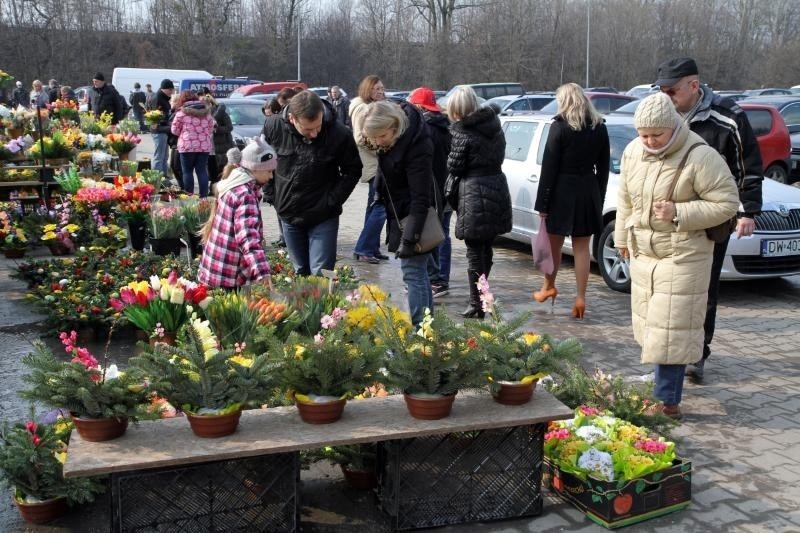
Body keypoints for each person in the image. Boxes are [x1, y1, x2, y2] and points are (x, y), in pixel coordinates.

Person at [614, 93, 739, 419]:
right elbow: (625, 198)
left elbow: (726, 203)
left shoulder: (701, 156)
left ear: (673, 126)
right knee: (651, 328)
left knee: (671, 329)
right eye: (644, 135)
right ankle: (660, 389)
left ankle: (666, 403)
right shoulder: (632, 152)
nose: (649, 142)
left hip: (684, 256)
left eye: (656, 135)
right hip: (645, 255)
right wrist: (621, 237)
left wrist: (679, 212)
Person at [655, 57, 763, 382]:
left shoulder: (728, 118)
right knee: (667, 286)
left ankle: (697, 353)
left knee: (702, 287)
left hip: (711, 218)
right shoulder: (663, 116)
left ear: (693, 85)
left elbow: (749, 166)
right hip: (669, 217)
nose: (666, 97)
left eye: (671, 91)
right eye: (661, 91)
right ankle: (667, 351)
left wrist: (748, 210)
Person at [262, 90, 362, 276]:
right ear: (292, 118)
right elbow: (263, 161)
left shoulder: (339, 133)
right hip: (289, 213)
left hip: (323, 215)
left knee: (321, 274)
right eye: (308, 129)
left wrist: (333, 200)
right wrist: (272, 195)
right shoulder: (274, 126)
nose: (315, 133)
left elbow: (353, 170)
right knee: (300, 271)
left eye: (318, 126)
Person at [533, 82, 610, 319]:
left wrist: (542, 206)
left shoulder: (559, 127)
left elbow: (549, 169)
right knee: (582, 249)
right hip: (588, 191)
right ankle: (580, 298)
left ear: (564, 101)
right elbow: (604, 168)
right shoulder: (599, 127)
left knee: (553, 246)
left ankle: (548, 287)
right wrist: (598, 197)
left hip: (560, 193)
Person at [361, 100, 435, 326]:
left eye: (381, 136)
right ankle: (427, 328)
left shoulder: (416, 146)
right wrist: (379, 191)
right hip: (400, 213)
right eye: (373, 138)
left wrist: (410, 237)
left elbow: (421, 197)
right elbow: (386, 166)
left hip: (415, 217)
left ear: (394, 126)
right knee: (418, 274)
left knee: (413, 273)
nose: (377, 142)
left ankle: (420, 332)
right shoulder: (392, 142)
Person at [445, 86, 512, 319]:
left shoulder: (462, 133)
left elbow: (454, 167)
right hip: (496, 187)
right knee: (486, 248)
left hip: (473, 192)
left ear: (457, 110)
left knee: (474, 252)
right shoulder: (495, 127)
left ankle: (478, 302)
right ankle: (483, 297)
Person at [198, 138, 277, 289]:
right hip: (229, 272)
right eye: (269, 171)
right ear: (255, 168)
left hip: (217, 266)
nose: (271, 176)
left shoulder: (233, 183)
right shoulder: (245, 195)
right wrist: (263, 272)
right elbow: (248, 238)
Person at [407, 86, 452, 298]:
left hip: (433, 190)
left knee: (432, 236)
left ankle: (437, 280)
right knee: (441, 234)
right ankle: (439, 278)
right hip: (445, 188)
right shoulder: (444, 126)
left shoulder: (427, 129)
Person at [350, 75, 389, 264]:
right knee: (381, 206)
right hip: (374, 165)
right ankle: (364, 247)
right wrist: (382, 147)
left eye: (382, 89)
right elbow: (360, 137)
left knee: (374, 206)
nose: (381, 92)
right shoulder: (362, 108)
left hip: (376, 164)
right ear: (368, 90)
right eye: (377, 89)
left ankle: (370, 248)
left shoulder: (373, 106)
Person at [262, 86, 300, 248]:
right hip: (294, 165)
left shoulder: (270, 122)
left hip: (276, 166)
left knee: (280, 203)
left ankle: (284, 235)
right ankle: (289, 235)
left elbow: (264, 146)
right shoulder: (296, 119)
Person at [171, 90, 215, 197]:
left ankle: (189, 196)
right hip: (204, 146)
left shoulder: (181, 114)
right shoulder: (207, 114)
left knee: (187, 172)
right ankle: (203, 197)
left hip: (187, 146)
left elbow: (174, 130)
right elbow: (210, 129)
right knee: (202, 171)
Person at [200, 91, 234, 184]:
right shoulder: (202, 114)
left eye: (204, 106)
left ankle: (219, 186)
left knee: (219, 168)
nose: (203, 108)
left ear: (210, 104)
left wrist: (216, 129)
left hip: (220, 145)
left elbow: (229, 127)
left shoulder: (222, 113)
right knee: (210, 168)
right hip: (208, 145)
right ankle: (213, 186)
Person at [150, 79, 175, 177]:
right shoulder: (158, 98)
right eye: (171, 90)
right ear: (165, 89)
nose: (172, 92)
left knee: (164, 157)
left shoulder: (164, 98)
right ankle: (156, 178)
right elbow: (154, 116)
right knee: (159, 157)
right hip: (159, 131)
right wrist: (168, 123)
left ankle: (164, 178)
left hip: (164, 130)